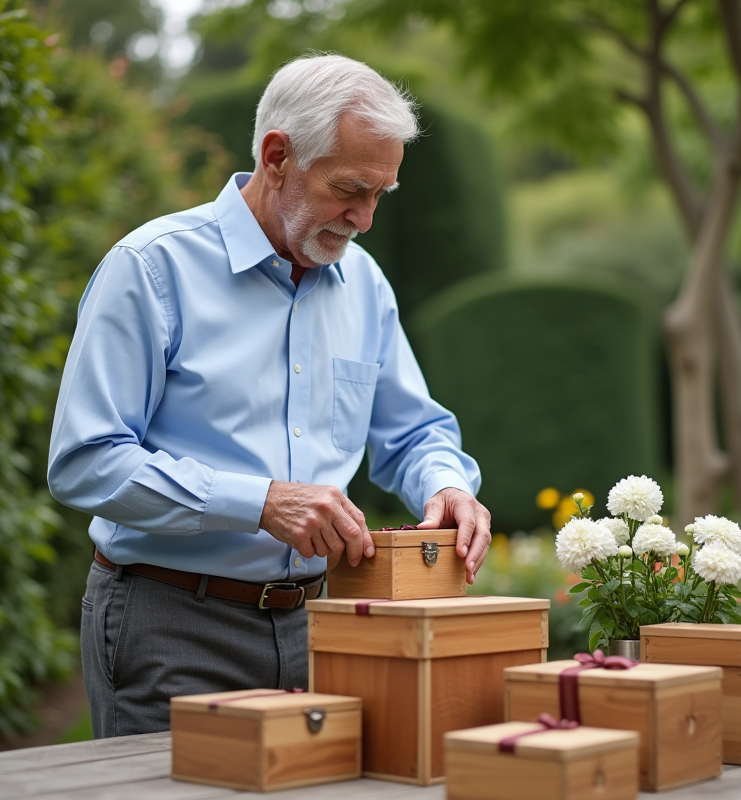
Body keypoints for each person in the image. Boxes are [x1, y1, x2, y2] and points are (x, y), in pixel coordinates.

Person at [47, 53, 492, 738]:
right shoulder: (150, 268)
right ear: (278, 155)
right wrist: (258, 502)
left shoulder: (365, 284)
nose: (365, 219)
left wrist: (447, 484)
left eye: (381, 195)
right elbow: (85, 461)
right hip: (170, 624)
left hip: (321, 625)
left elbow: (412, 433)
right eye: (350, 189)